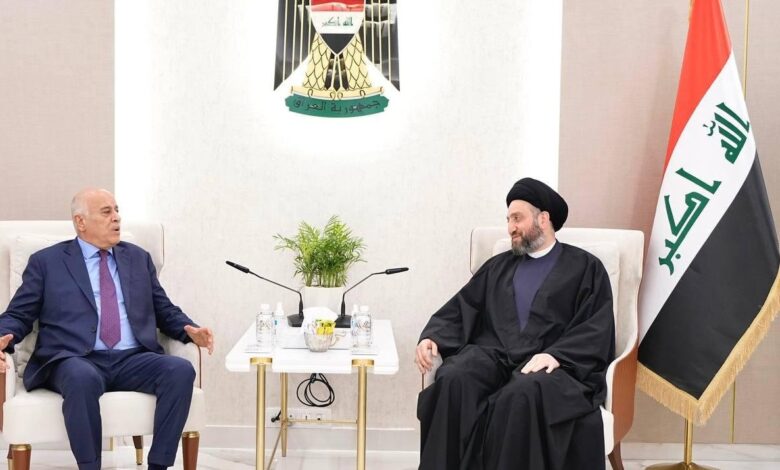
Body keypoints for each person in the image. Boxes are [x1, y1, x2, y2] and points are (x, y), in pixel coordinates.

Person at [0, 188, 215, 470]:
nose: (116, 218)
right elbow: (19, 313)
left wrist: (189, 329)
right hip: (74, 358)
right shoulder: (47, 262)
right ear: (80, 222)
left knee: (180, 370)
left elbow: (164, 309)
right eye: (106, 212)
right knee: (81, 377)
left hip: (132, 359)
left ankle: (159, 465)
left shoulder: (138, 258)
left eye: (117, 211)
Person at [415, 178, 614, 470]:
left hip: (552, 366)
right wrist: (433, 336)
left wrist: (556, 355)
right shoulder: (497, 266)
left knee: (520, 394)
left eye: (517, 218)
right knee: (454, 378)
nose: (510, 227)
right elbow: (463, 307)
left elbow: (595, 327)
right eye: (508, 220)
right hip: (494, 356)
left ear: (543, 219)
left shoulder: (586, 267)